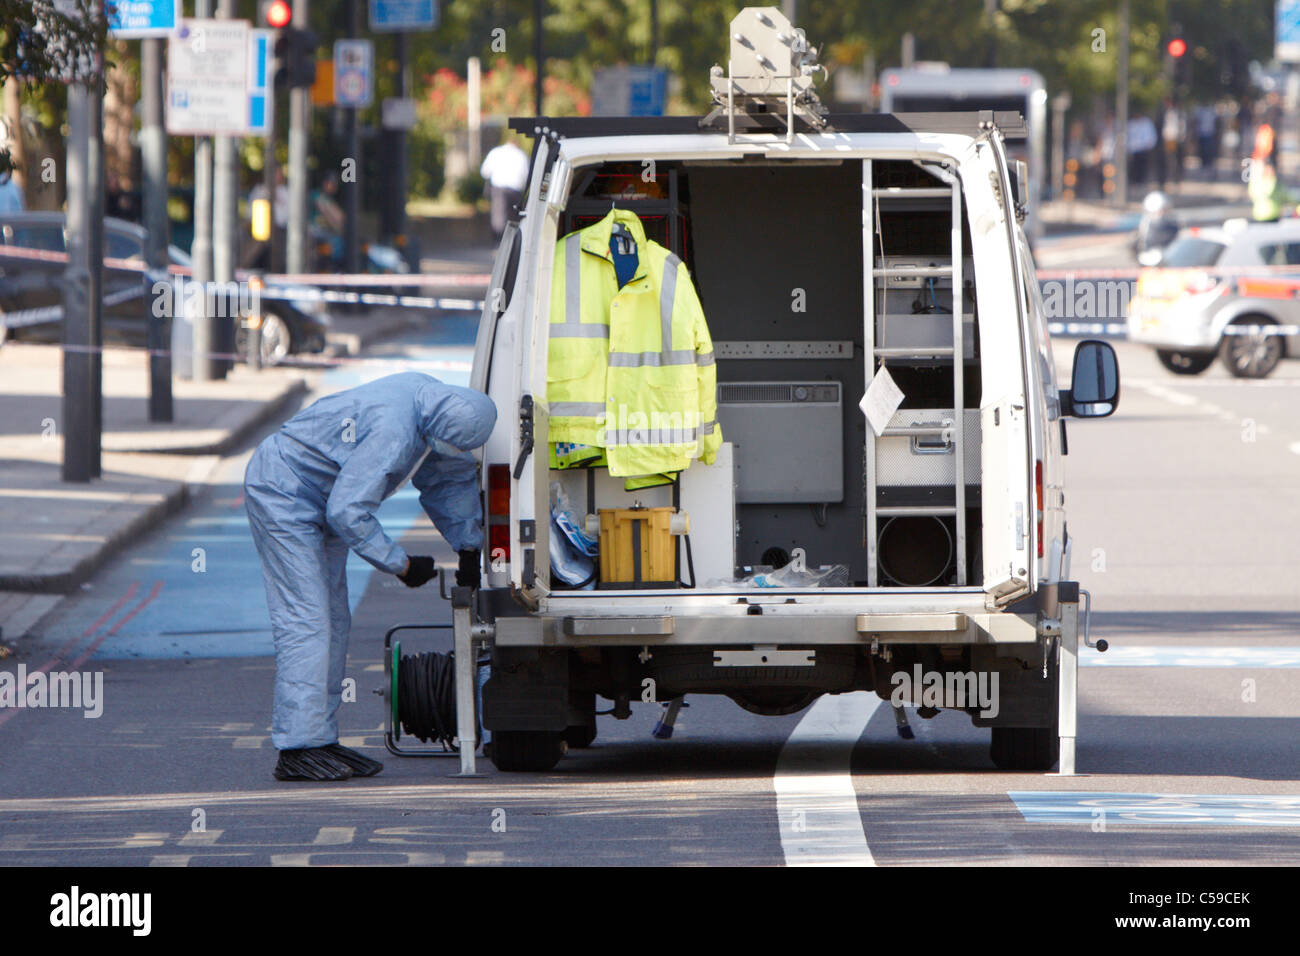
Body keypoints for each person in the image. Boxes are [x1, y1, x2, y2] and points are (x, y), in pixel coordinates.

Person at [243, 372, 497, 781]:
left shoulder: (435, 407)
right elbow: (347, 512)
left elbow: (448, 478)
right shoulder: (394, 428)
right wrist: (401, 565)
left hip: (321, 495)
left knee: (334, 621)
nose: (446, 449)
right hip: (283, 492)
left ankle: (318, 739)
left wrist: (468, 546)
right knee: (307, 621)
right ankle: (297, 747)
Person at [479, 137, 529, 241]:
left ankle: (499, 238)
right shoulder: (521, 155)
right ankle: (513, 238)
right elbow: (526, 175)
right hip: (515, 189)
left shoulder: (495, 152)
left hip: (499, 187)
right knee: (514, 215)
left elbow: (485, 172)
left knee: (499, 214)